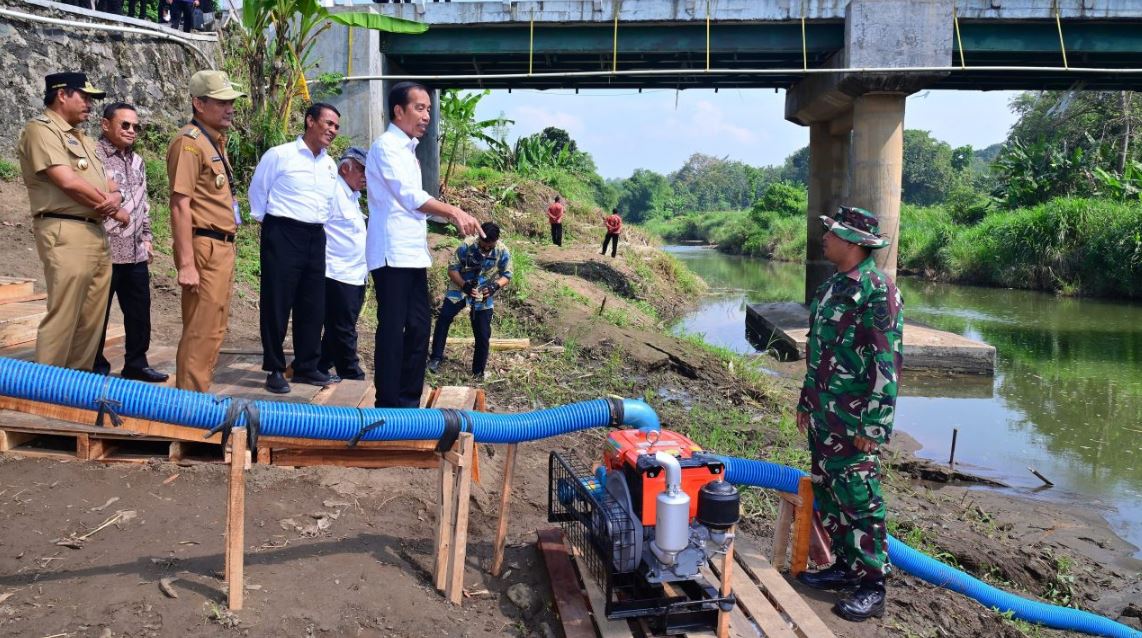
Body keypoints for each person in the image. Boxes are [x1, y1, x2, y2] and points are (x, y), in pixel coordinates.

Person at [794, 206, 903, 622]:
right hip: (825, 415)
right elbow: (818, 350)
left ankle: (872, 585)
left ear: (855, 243)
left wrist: (874, 426)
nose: (825, 238)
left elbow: (886, 363)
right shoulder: (833, 286)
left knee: (860, 498)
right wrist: (808, 400)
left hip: (856, 421)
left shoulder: (879, 291)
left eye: (832, 233)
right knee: (829, 491)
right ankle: (845, 566)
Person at [365, 81, 482, 408]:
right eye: (420, 108)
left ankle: (408, 400)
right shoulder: (386, 146)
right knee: (394, 327)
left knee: (418, 325)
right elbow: (409, 197)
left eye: (429, 109)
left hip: (411, 254)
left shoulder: (408, 150)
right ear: (398, 111)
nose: (427, 115)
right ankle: (388, 403)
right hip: (390, 254)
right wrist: (453, 211)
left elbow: (413, 202)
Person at [17, 72, 129, 371]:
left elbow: (109, 183)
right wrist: (113, 207)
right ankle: (45, 386)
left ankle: (74, 387)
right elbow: (67, 181)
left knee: (91, 317)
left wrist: (115, 198)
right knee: (65, 313)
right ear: (62, 94)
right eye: (85, 96)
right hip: (64, 228)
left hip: (94, 230)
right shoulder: (41, 130)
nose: (90, 104)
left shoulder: (81, 137)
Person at [249, 103, 340, 394]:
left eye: (336, 127)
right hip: (283, 231)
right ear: (310, 121)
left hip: (316, 235)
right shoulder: (280, 155)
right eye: (328, 123)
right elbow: (258, 192)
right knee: (277, 301)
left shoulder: (329, 164)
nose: (332, 130)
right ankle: (275, 368)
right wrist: (272, 227)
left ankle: (306, 366)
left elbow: (327, 204)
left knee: (313, 304)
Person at [166, 70, 245, 392]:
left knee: (214, 327)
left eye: (231, 102)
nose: (229, 108)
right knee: (201, 328)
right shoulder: (189, 144)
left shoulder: (213, 141)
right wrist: (186, 264)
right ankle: (191, 406)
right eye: (221, 102)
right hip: (204, 246)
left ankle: (197, 397)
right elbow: (179, 204)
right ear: (199, 103)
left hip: (222, 246)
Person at [91, 102, 169, 383]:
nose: (132, 130)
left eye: (135, 126)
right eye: (125, 125)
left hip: (134, 251)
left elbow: (143, 204)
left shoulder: (138, 161)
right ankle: (94, 364)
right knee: (97, 314)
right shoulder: (93, 155)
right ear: (105, 124)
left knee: (139, 313)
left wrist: (147, 238)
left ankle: (136, 363)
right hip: (103, 249)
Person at [427, 222, 512, 379]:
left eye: (489, 246)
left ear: (496, 241)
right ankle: (436, 358)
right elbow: (452, 269)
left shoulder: (502, 251)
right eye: (483, 245)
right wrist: (464, 286)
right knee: (443, 319)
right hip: (460, 287)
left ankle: (478, 371)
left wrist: (494, 287)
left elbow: (507, 275)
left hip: (483, 292)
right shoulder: (467, 245)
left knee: (483, 332)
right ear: (479, 237)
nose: (486, 249)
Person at [317, 147, 369, 382]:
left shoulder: (352, 196)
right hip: (337, 272)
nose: (365, 176)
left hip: (355, 273)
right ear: (345, 168)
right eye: (361, 170)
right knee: (344, 327)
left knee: (339, 326)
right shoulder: (333, 192)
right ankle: (351, 373)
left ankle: (320, 363)